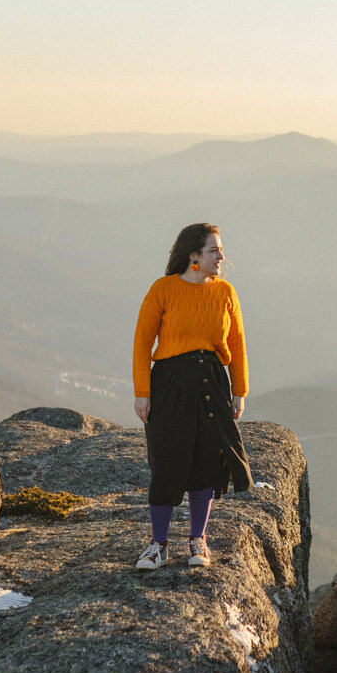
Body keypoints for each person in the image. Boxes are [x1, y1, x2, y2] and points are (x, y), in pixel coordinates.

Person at [131, 221, 253, 570]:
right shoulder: (164, 289)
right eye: (215, 249)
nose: (222, 256)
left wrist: (239, 391)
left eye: (220, 249)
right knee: (167, 461)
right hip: (169, 382)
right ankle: (158, 545)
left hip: (212, 382)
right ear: (194, 256)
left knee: (205, 461)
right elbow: (142, 342)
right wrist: (143, 392)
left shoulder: (225, 292)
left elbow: (237, 345)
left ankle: (198, 540)